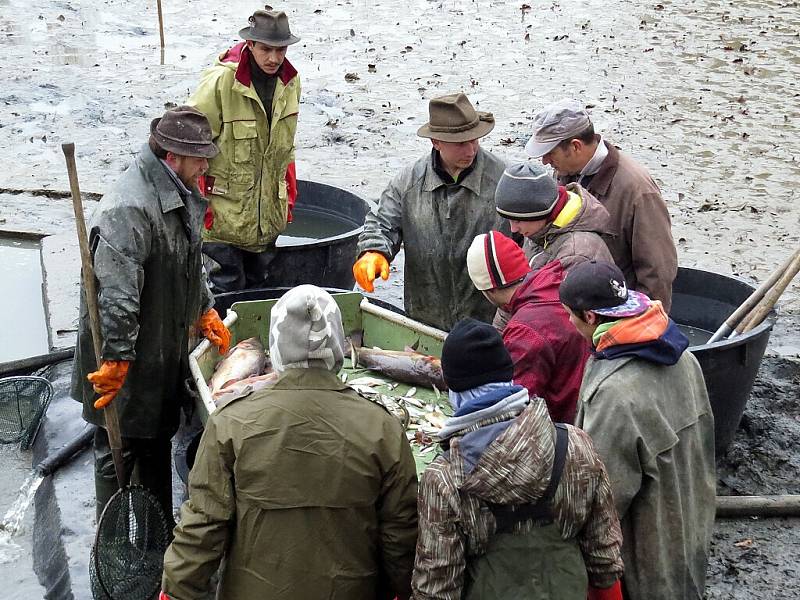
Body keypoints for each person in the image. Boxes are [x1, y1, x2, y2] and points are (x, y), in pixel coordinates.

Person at [161, 285, 419, 600]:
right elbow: (401, 537)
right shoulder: (383, 430)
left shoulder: (229, 424)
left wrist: (174, 592)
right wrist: (401, 590)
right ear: (338, 346)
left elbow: (203, 528)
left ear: (277, 346)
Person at [70, 106, 231, 522]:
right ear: (172, 156)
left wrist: (205, 308)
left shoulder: (181, 189)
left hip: (162, 338)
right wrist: (117, 358)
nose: (206, 164)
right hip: (122, 349)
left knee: (157, 438)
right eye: (200, 157)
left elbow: (191, 258)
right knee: (117, 445)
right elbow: (117, 295)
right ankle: (115, 534)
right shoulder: (130, 208)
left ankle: (157, 532)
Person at [412, 318, 624, 600]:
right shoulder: (574, 445)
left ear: (452, 389)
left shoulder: (445, 479)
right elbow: (605, 564)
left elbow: (436, 591)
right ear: (508, 377)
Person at [559, 260, 716, 600]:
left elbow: (605, 496)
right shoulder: (684, 357)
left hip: (647, 538)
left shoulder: (616, 393)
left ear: (590, 317)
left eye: (570, 315)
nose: (569, 324)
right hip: (690, 512)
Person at [354, 92, 511, 331]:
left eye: (475, 140)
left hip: (490, 323)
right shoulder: (407, 183)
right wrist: (373, 251)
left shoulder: (504, 181)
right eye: (460, 143)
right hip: (426, 318)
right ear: (436, 142)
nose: (470, 149)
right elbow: (382, 222)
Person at [526, 99, 678, 311]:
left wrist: (641, 325)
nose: (544, 161)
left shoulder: (638, 190)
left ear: (576, 146)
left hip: (617, 313)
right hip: (577, 312)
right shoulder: (562, 172)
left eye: (550, 152)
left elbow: (657, 272)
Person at [189, 7, 301, 292]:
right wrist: (197, 207)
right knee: (225, 295)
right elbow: (190, 146)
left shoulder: (290, 83)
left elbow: (285, 150)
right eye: (266, 49)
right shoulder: (220, 82)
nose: (274, 58)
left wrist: (288, 195)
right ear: (250, 44)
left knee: (258, 295)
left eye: (281, 50)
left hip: (266, 218)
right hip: (222, 219)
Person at [466, 230, 589, 423]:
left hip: (560, 428)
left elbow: (514, 403)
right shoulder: (555, 281)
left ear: (489, 291)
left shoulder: (526, 331)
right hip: (584, 409)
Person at [494, 161, 613, 272]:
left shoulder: (576, 255)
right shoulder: (539, 228)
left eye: (517, 220)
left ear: (540, 212)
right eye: (509, 219)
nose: (513, 229)